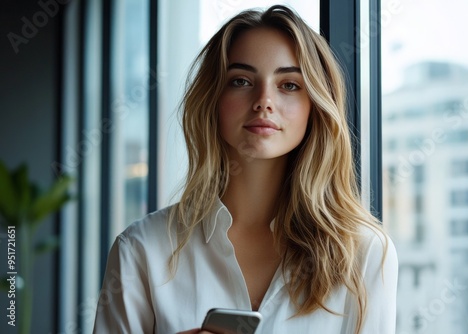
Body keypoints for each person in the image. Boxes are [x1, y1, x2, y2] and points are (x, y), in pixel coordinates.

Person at [93, 5, 398, 334]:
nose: (264, 100)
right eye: (241, 80)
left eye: (289, 85)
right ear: (213, 99)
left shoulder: (365, 252)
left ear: (315, 106)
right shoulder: (142, 250)